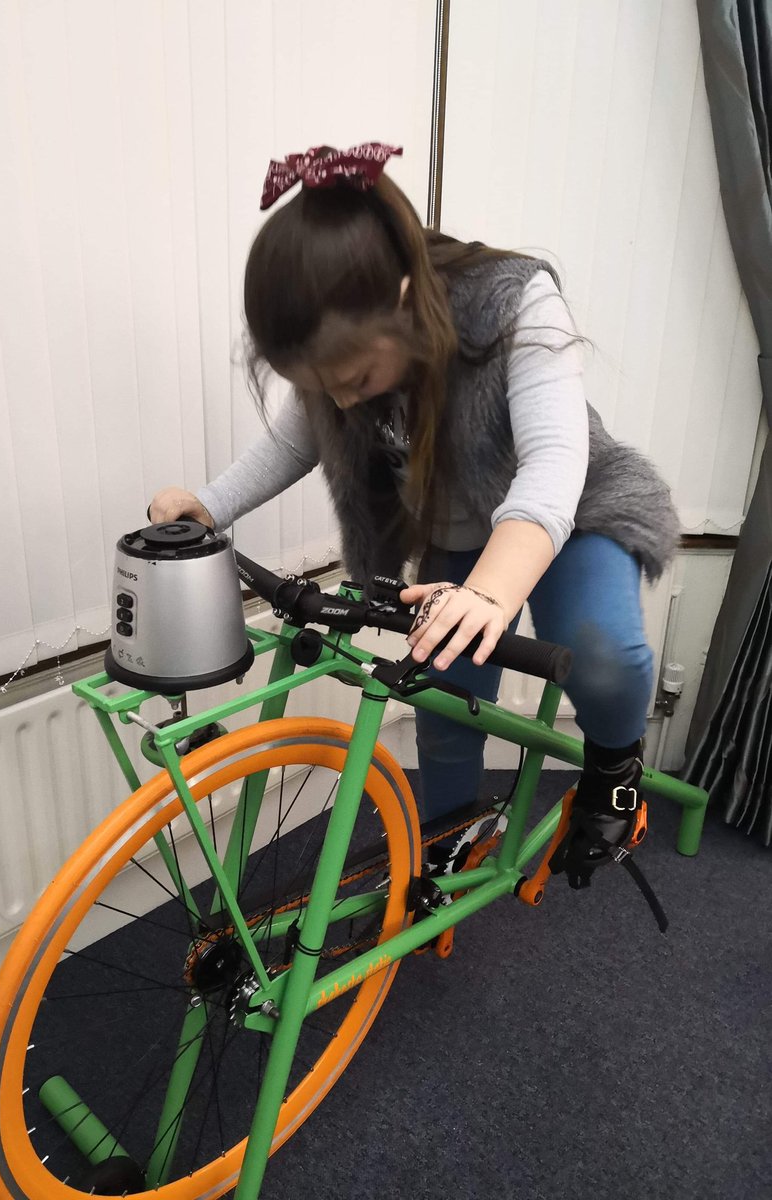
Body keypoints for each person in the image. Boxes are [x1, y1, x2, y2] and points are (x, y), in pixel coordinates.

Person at [149, 143, 679, 890]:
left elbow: (555, 464)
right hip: (459, 531)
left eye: (355, 379)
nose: (341, 403)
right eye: (321, 387)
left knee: (601, 652)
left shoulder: (513, 301)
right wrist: (208, 504)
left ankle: (618, 772)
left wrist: (492, 593)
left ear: (402, 296)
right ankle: (448, 843)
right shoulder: (342, 358)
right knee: (442, 699)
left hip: (573, 512)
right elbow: (292, 442)